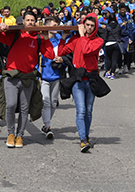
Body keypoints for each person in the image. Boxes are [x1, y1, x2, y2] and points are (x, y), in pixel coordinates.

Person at [0, 11, 55, 148]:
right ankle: (10, 133)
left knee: (25, 109)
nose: (30, 23)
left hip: (28, 78)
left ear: (36, 22)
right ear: (23, 22)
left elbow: (50, 55)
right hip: (12, 76)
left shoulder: (38, 38)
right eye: (28, 20)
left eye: (32, 20)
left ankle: (20, 136)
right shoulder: (16, 34)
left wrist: (46, 38)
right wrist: (0, 26)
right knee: (11, 104)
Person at [58, 13, 108, 152]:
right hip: (77, 80)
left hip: (91, 79)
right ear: (83, 24)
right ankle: (83, 140)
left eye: (92, 25)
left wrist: (81, 36)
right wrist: (63, 37)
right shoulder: (75, 40)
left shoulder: (98, 41)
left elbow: (86, 50)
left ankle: (86, 135)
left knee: (89, 111)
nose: (89, 28)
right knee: (81, 111)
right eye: (87, 25)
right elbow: (61, 51)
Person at [38, 16, 64, 139]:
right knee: (46, 101)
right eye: (54, 26)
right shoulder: (43, 39)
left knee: (53, 103)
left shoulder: (60, 39)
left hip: (57, 75)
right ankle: (47, 126)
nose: (57, 28)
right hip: (44, 75)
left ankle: (45, 124)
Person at [102, 13, 122, 80]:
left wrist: (102, 44)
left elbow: (105, 36)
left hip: (108, 44)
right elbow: (120, 34)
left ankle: (108, 72)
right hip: (116, 43)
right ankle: (113, 73)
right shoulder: (118, 26)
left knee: (108, 58)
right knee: (114, 59)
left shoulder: (107, 27)